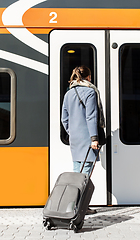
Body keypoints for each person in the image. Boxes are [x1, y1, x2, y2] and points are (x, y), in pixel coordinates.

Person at [61, 65, 105, 215]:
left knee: (77, 174)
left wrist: (72, 132)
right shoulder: (90, 92)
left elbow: (64, 118)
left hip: (75, 139)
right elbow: (91, 116)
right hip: (87, 139)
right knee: (84, 176)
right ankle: (79, 207)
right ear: (89, 77)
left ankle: (74, 204)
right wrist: (94, 138)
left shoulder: (69, 94)